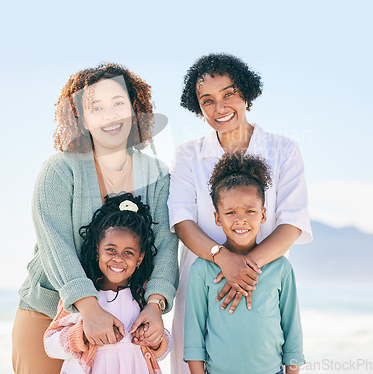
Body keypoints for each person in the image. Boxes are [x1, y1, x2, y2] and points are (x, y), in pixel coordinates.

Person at [12, 64, 178, 374]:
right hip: (49, 312)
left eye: (118, 103)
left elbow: (167, 246)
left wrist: (155, 305)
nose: (110, 115)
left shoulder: (157, 176)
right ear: (81, 117)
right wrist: (88, 308)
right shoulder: (60, 169)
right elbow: (55, 245)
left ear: (134, 107)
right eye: (96, 107)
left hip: (125, 316)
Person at [168, 53, 312, 373]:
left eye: (229, 94)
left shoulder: (283, 150)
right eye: (207, 100)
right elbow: (182, 221)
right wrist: (223, 259)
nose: (220, 108)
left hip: (264, 283)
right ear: (198, 107)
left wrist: (244, 269)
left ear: (245, 92)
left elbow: (292, 222)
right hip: (203, 286)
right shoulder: (188, 154)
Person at [184, 153, 304, 374]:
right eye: (230, 212)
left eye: (250, 211)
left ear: (263, 215)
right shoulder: (202, 269)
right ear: (218, 217)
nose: (241, 220)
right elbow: (194, 336)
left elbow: (292, 333)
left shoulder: (281, 268)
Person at [44, 193, 172, 373]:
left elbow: (164, 349)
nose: (118, 259)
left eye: (128, 252)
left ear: (140, 258)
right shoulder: (82, 295)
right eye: (111, 249)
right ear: (97, 249)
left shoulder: (143, 294)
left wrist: (156, 339)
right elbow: (50, 345)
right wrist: (82, 334)